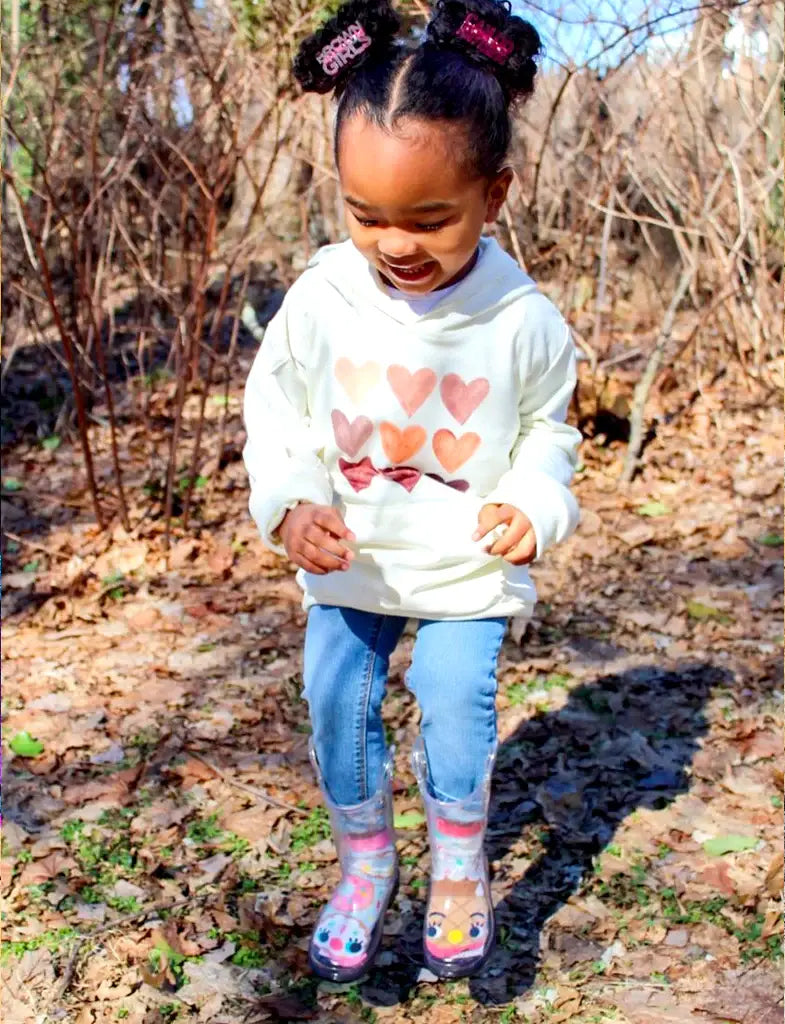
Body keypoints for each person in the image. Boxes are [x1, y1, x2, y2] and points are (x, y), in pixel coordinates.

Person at [243, 0, 581, 983]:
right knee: (333, 696)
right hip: (353, 552)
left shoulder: (520, 321)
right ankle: (364, 860)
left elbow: (546, 432)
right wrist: (290, 504)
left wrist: (534, 505)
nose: (394, 242)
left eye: (429, 219)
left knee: (452, 696)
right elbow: (278, 411)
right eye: (365, 214)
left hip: (464, 561)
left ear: (493, 193)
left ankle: (458, 864)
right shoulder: (322, 299)